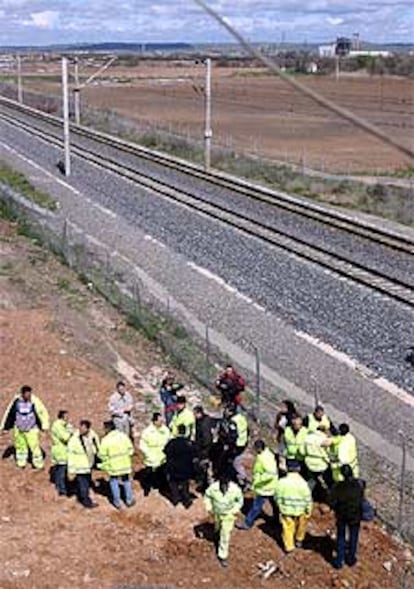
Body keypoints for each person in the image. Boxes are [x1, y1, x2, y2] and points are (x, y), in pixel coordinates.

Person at [0, 385, 49, 470]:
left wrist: (44, 426)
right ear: (22, 394)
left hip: (31, 429)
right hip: (19, 429)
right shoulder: (16, 401)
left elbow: (42, 412)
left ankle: (38, 464)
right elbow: (10, 414)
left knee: (34, 447)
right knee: (20, 447)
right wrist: (5, 428)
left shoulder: (35, 401)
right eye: (26, 394)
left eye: (29, 394)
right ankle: (21, 463)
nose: (28, 396)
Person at [204, 474, 244, 568]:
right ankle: (216, 533)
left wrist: (235, 510)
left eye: (226, 485)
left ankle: (222, 555)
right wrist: (209, 508)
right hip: (217, 512)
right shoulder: (213, 488)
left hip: (228, 515)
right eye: (222, 486)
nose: (224, 488)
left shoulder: (235, 489)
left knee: (225, 534)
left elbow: (239, 501)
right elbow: (207, 496)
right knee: (217, 527)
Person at [237, 440, 278, 530]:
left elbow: (271, 473)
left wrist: (258, 480)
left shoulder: (265, 458)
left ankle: (248, 523)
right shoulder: (266, 454)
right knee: (274, 505)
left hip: (265, 487)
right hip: (270, 486)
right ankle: (277, 521)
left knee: (256, 506)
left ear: (259, 448)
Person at [330, 464, 364, 569]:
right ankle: (351, 558)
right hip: (355, 515)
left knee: (341, 536)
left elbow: (332, 502)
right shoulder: (358, 485)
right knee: (353, 537)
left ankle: (339, 561)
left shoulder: (338, 487)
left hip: (342, 516)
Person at [275, 459, 313, 553]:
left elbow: (277, 496)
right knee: (301, 525)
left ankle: (289, 546)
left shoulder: (281, 482)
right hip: (300, 510)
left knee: (287, 528)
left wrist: (280, 506)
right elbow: (308, 498)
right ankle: (299, 540)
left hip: (286, 509)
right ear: (298, 469)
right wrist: (309, 509)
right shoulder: (303, 483)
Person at [98, 420, 135, 508]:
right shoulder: (123, 436)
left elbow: (102, 455)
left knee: (113, 481)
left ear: (107, 429)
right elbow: (131, 450)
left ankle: (117, 502)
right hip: (125, 464)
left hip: (113, 466)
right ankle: (129, 500)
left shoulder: (106, 440)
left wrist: (105, 462)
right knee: (126, 480)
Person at [67, 420, 98, 509]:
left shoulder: (91, 436)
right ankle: (86, 502)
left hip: (88, 465)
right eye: (81, 427)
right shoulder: (74, 440)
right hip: (80, 466)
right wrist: (71, 470)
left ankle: (81, 496)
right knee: (83, 484)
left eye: (84, 428)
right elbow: (71, 455)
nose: (81, 429)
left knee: (85, 483)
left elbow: (94, 448)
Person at [139, 412, 171, 496]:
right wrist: (148, 454)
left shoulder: (165, 430)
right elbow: (142, 444)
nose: (161, 422)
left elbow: (169, 440)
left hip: (162, 457)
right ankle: (147, 489)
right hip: (151, 456)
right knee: (149, 474)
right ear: (154, 421)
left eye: (162, 421)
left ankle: (162, 488)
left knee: (162, 474)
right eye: (159, 421)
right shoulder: (147, 431)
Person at [164, 423, 195, 508]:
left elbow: (165, 451)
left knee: (173, 484)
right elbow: (194, 454)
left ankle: (175, 500)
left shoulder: (172, 442)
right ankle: (187, 502)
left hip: (173, 467)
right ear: (185, 432)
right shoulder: (189, 443)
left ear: (177, 431)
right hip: (185, 468)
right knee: (185, 485)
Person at [303, 425, 332, 497]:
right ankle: (325, 494)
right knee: (323, 481)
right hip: (321, 464)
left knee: (311, 480)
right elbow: (328, 452)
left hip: (309, 463)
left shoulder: (307, 438)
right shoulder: (324, 439)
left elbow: (302, 451)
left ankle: (307, 494)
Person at [50, 410, 74, 496]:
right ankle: (62, 490)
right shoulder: (58, 426)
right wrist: (71, 433)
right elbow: (65, 437)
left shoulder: (62, 425)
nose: (68, 418)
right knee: (61, 472)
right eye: (67, 416)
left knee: (59, 471)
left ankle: (60, 487)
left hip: (60, 451)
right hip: (61, 451)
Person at [193, 405, 214, 492]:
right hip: (202, 448)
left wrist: (203, 450)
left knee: (206, 468)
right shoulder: (200, 421)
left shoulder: (204, 423)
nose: (194, 416)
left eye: (195, 414)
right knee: (203, 468)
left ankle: (209, 487)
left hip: (205, 450)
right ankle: (205, 484)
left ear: (199, 413)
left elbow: (207, 439)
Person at [229, 405, 249, 488]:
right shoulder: (242, 418)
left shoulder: (233, 421)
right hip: (243, 442)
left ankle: (243, 478)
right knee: (237, 461)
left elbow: (233, 435)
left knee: (236, 463)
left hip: (237, 444)